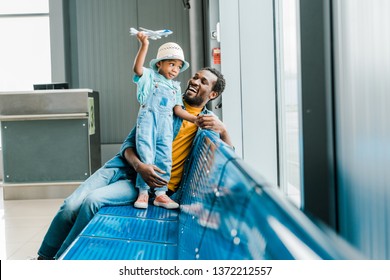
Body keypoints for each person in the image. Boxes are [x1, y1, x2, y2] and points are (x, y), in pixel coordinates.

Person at [36, 67, 232, 260]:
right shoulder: (162, 101)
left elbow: (227, 161)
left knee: (92, 201)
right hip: (124, 167)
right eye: (195, 77)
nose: (195, 81)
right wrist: (140, 166)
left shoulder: (208, 123)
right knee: (70, 205)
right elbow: (128, 145)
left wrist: (224, 131)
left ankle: (62, 259)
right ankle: (44, 257)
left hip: (146, 186)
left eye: (203, 81)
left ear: (213, 94)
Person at [132, 32, 196, 210]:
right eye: (171, 64)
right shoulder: (150, 77)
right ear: (159, 64)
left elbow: (177, 109)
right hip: (148, 120)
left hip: (166, 125)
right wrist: (144, 45)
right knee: (146, 153)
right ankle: (143, 192)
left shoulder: (175, 87)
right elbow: (137, 69)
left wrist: (194, 119)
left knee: (164, 156)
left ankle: (160, 193)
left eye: (179, 66)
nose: (175, 69)